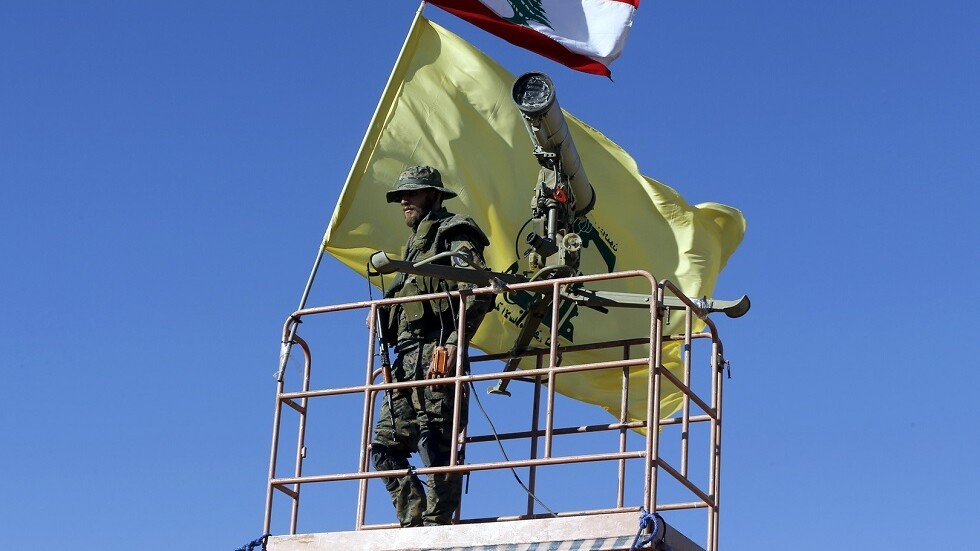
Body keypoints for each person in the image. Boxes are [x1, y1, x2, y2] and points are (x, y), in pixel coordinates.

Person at [372, 165, 493, 527]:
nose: (405, 201)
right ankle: (414, 519)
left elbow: (477, 287)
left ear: (434, 196)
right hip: (406, 360)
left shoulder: (454, 231)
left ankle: (436, 526)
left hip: (438, 354)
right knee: (383, 448)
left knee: (436, 444)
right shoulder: (413, 248)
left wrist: (457, 340)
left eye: (413, 193)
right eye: (401, 196)